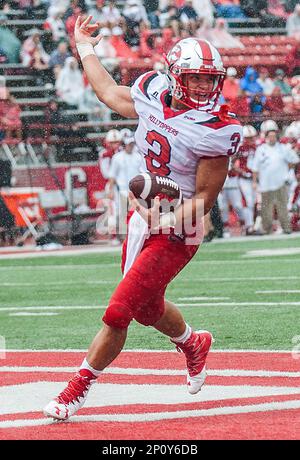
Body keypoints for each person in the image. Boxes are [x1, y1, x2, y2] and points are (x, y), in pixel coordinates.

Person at [43, 15, 243, 421]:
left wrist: (167, 220)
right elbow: (109, 93)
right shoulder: (152, 89)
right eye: (197, 78)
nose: (206, 87)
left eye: (211, 79)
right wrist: (85, 47)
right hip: (142, 219)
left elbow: (205, 197)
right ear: (172, 76)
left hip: (180, 226)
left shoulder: (216, 128)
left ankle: (75, 390)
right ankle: (192, 343)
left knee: (119, 311)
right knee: (147, 309)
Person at [252, 125, 299, 234]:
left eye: (274, 136)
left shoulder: (283, 148)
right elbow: (255, 167)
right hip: (265, 184)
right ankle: (267, 229)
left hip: (280, 183)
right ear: (266, 137)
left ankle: (286, 228)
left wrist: (288, 169)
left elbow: (295, 160)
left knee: (282, 206)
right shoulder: (261, 149)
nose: (272, 138)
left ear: (277, 137)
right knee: (266, 209)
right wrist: (254, 182)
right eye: (270, 136)